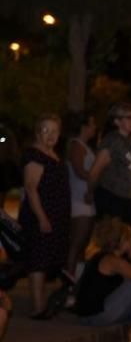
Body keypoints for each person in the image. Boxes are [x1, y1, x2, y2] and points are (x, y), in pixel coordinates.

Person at [19, 114, 71, 319]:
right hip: (40, 215)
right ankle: (38, 308)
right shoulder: (34, 155)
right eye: (45, 130)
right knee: (38, 262)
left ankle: (45, 305)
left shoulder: (53, 154)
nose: (50, 135)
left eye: (54, 131)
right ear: (37, 132)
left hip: (56, 215)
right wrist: (42, 218)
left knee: (48, 259)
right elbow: (31, 189)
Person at [87, 103, 131, 223]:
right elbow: (95, 171)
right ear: (117, 121)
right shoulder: (112, 140)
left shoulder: (129, 140)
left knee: (125, 238)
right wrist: (90, 192)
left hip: (126, 198)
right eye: (128, 117)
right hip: (112, 198)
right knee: (112, 238)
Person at [65, 112, 97, 280]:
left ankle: (77, 282)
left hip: (87, 199)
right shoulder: (76, 146)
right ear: (84, 126)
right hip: (79, 200)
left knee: (82, 245)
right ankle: (69, 283)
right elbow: (79, 171)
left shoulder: (85, 146)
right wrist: (95, 177)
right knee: (75, 245)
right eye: (92, 124)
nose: (95, 127)